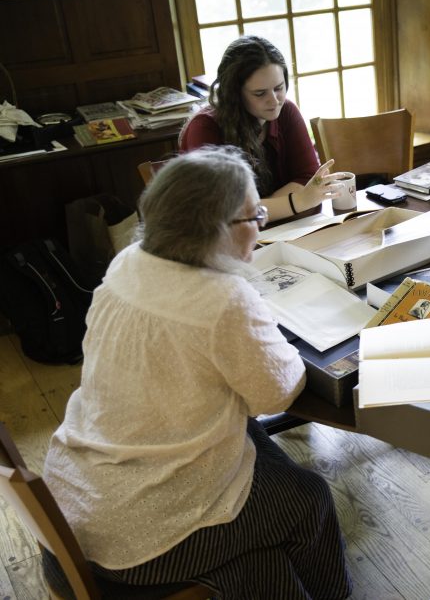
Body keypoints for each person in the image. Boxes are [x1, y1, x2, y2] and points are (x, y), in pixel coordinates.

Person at [43, 146, 352, 599]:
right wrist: (257, 317)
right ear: (214, 231)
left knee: (257, 459)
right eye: (254, 217)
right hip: (137, 540)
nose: (259, 226)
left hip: (77, 498)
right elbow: (276, 395)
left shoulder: (129, 260)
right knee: (309, 500)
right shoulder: (222, 297)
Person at [180, 35, 346, 222]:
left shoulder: (287, 111)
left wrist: (257, 214)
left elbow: (308, 178)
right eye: (260, 93)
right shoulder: (205, 127)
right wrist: (297, 202)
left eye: (279, 88)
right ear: (234, 94)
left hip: (277, 230)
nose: (274, 101)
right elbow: (224, 210)